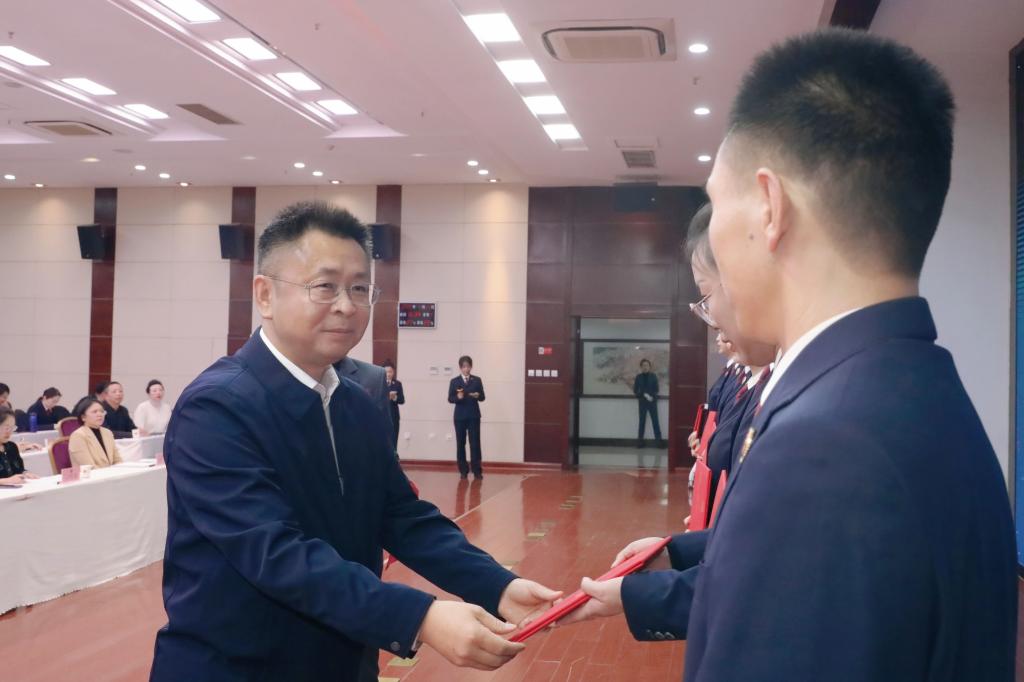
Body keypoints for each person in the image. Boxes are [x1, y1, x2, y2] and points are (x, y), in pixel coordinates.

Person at [562, 28, 1016, 680]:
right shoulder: (911, 385)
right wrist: (678, 556)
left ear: (770, 208)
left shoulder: (825, 445)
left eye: (716, 201)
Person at [150, 200, 560, 682]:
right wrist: (421, 617)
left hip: (345, 662)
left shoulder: (356, 403)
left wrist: (496, 586)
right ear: (264, 294)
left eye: (360, 288)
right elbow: (275, 553)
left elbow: (401, 516)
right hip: (236, 667)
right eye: (324, 286)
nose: (346, 305)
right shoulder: (216, 408)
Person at [448, 356, 485, 480]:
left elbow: (483, 397)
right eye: (464, 367)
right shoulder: (454, 381)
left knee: (475, 443)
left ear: (471, 367)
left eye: (468, 366)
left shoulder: (477, 380)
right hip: (460, 417)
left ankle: (477, 470)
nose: (466, 369)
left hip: (474, 416)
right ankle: (463, 470)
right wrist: (457, 398)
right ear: (460, 368)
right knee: (461, 443)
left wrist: (477, 395)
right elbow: (450, 398)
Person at [68, 396, 122, 468]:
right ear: (83, 417)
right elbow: (89, 466)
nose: (100, 414)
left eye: (102, 411)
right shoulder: (78, 436)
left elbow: (117, 459)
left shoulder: (107, 432)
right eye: (94, 412)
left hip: (110, 473)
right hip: (91, 474)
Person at [0, 407, 40, 486]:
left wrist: (26, 473)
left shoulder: (12, 447)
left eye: (12, 428)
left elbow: (20, 470)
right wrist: (6, 481)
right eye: (7, 428)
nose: (9, 432)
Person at [632, 359, 663, 456]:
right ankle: (640, 443)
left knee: (655, 422)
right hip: (642, 403)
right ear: (641, 367)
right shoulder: (638, 377)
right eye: (643, 365)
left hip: (652, 402)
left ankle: (659, 443)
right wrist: (643, 394)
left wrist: (651, 396)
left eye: (647, 365)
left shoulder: (653, 376)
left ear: (649, 367)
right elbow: (635, 390)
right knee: (642, 422)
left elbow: (656, 389)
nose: (645, 367)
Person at [384, 362, 405, 452]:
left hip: (394, 416)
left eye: (390, 371)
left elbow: (402, 400)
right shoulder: (379, 383)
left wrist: (394, 397)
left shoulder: (397, 384)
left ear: (393, 372)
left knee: (394, 439)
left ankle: (394, 457)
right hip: (382, 416)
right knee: (382, 439)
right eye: (386, 372)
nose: (388, 374)